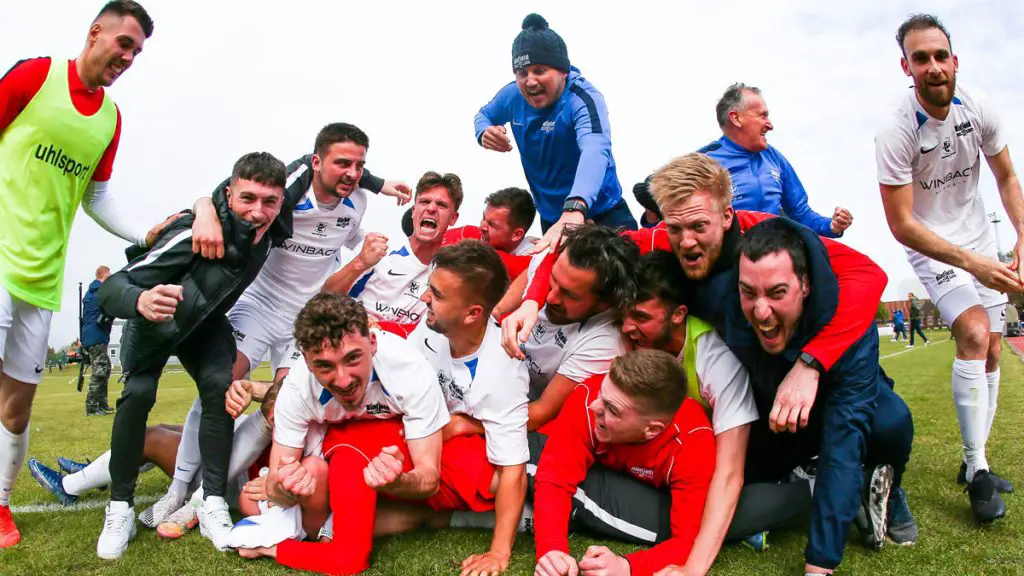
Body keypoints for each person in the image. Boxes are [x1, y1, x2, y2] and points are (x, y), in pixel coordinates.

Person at [142, 122, 412, 530]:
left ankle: (203, 498)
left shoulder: (356, 202)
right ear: (316, 161)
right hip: (259, 306)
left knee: (279, 410)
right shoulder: (290, 190)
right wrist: (199, 205)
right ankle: (177, 491)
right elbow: (232, 193)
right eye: (343, 163)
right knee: (219, 389)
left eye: (360, 166)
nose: (353, 173)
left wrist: (377, 195)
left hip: (304, 322)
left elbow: (346, 246)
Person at [0, 0, 156, 548]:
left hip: (41, 279)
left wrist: (144, 234)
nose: (129, 57)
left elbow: (98, 197)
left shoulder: (109, 119)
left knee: (15, 411)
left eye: (137, 52)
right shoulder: (34, 76)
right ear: (96, 33)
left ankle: (0, 508)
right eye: (124, 43)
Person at [95, 152, 287, 559]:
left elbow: (315, 165)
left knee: (222, 388)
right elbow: (115, 285)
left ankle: (212, 501)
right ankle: (120, 507)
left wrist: (376, 184)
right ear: (230, 193)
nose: (258, 212)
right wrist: (141, 299)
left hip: (207, 326)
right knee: (138, 396)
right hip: (157, 323)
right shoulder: (194, 232)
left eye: (269, 202)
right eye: (248, 199)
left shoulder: (271, 229)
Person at [876, 13, 1021, 521]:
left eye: (941, 56)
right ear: (906, 66)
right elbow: (899, 223)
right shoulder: (896, 129)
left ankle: (974, 462)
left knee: (995, 349)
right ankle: (977, 470)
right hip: (934, 245)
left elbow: (1006, 176)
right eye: (921, 59)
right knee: (975, 333)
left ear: (954, 60)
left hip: (980, 237)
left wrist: (1022, 235)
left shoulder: (977, 105)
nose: (933, 67)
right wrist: (971, 263)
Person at [717, 218, 916, 575]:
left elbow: (844, 439)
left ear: (805, 285)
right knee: (732, 486)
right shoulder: (725, 302)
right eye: (749, 292)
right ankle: (802, 477)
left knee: (890, 422)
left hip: (843, 405)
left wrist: (820, 564)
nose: (761, 312)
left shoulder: (848, 318)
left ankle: (886, 484)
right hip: (778, 418)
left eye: (778, 293)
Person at [235, 293, 449, 575]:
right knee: (266, 494)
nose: (344, 380)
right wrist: (285, 487)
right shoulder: (297, 390)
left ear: (372, 343)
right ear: (308, 363)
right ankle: (323, 528)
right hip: (340, 454)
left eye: (352, 358)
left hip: (392, 445)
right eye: (325, 366)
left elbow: (429, 478)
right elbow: (277, 484)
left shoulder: (409, 369)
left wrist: (396, 482)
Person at [366, 241, 530, 576]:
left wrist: (499, 553)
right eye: (430, 288)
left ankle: (332, 521)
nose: (425, 298)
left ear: (472, 313)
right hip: (425, 439)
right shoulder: (431, 331)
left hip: (461, 459)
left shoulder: (503, 369)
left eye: (437, 295)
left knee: (481, 470)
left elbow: (512, 469)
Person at [533, 349, 716, 576]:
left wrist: (626, 566)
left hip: (654, 500)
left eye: (612, 409)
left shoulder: (693, 442)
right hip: (594, 476)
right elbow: (554, 479)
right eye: (602, 393)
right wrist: (552, 551)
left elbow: (689, 540)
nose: (595, 407)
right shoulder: (589, 397)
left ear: (652, 430)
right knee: (529, 456)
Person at [475, 13, 636, 255]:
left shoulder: (581, 98)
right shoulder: (511, 97)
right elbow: (483, 115)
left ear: (563, 71)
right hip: (553, 218)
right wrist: (483, 132)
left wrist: (576, 207)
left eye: (540, 71)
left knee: (636, 282)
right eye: (522, 73)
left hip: (603, 212)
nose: (530, 81)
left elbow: (595, 148)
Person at [633, 84, 853, 236]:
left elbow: (801, 213)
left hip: (774, 253)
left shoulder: (775, 159)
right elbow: (669, 220)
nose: (770, 124)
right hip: (726, 260)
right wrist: (652, 214)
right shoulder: (704, 161)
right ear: (736, 118)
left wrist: (831, 226)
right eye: (762, 115)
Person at [331, 171, 463, 323]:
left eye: (441, 205)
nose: (431, 209)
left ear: (453, 218)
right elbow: (326, 295)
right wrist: (360, 263)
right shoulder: (378, 246)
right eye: (425, 202)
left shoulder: (449, 273)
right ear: (413, 211)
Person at [442, 186, 540, 255]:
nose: (482, 227)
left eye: (492, 225)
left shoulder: (532, 264)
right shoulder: (469, 234)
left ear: (517, 234)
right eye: (483, 218)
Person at [82, 265, 114, 416]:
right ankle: (92, 408)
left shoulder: (92, 293)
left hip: (94, 336)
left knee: (105, 368)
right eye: (109, 277)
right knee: (99, 371)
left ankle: (102, 403)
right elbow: (111, 309)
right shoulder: (99, 293)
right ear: (103, 276)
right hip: (96, 336)